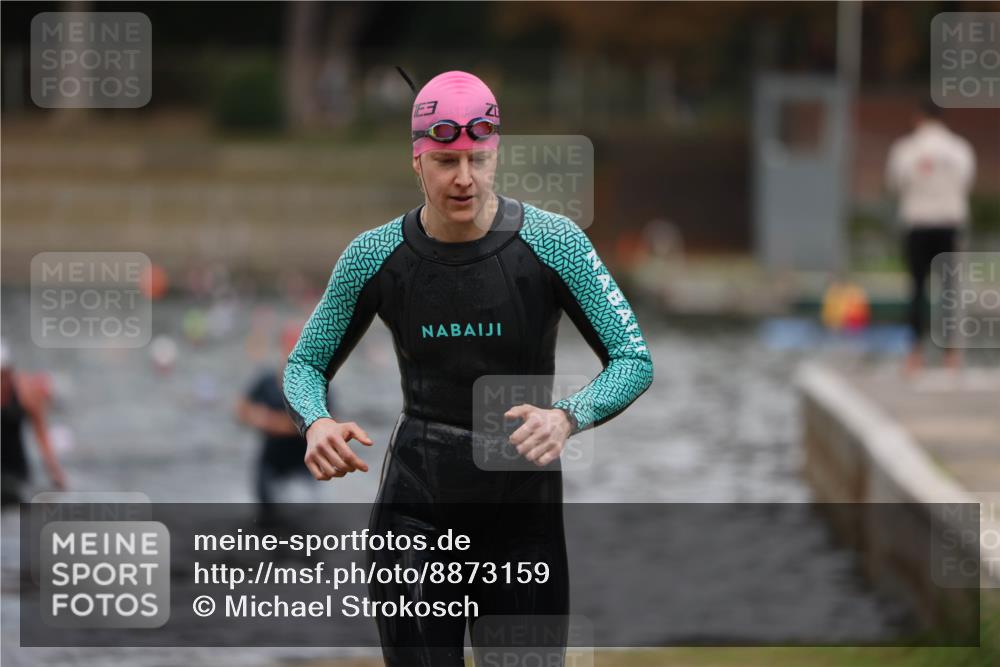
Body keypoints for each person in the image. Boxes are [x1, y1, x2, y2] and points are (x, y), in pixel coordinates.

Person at [283, 70, 654, 665]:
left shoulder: (553, 244)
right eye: (446, 161)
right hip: (417, 515)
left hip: (521, 519)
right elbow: (305, 363)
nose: (464, 179)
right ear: (416, 162)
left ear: (495, 153)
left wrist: (568, 416)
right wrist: (315, 422)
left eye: (477, 160)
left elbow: (633, 359)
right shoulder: (376, 255)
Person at [885, 99, 976, 374]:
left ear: (918, 119)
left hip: (918, 222)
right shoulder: (960, 149)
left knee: (916, 288)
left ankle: (914, 354)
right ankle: (951, 355)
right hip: (949, 222)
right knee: (950, 290)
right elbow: (966, 182)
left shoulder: (905, 149)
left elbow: (894, 183)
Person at [237, 322, 316, 519]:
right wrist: (262, 418)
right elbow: (240, 409)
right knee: (266, 522)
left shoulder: (316, 384)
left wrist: (267, 419)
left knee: (305, 526)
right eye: (291, 345)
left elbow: (325, 423)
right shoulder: (266, 380)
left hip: (302, 466)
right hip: (270, 463)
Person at [1, 340, 67, 506]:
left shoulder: (26, 392)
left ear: (10, 372)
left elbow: (42, 434)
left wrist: (55, 472)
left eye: (3, 376)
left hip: (17, 468)